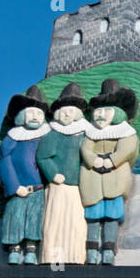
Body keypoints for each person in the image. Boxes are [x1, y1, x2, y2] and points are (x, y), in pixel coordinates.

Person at [79, 79, 140, 265]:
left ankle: (108, 248)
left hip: (115, 177)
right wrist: (94, 159)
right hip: (93, 177)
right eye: (98, 110)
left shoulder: (126, 131)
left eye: (106, 111)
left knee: (112, 214)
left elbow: (127, 149)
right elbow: (85, 148)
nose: (100, 115)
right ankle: (91, 250)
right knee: (93, 215)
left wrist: (112, 160)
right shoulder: (91, 132)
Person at [36, 83, 90, 264]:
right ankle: (52, 258)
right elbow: (43, 157)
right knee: (55, 223)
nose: (67, 115)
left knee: (76, 223)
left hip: (77, 187)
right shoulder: (53, 134)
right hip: (58, 187)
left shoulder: (84, 134)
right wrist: (53, 174)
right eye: (64, 111)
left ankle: (75, 256)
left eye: (71, 111)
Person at [0, 85, 49, 264]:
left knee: (35, 219)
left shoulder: (46, 136)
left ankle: (31, 250)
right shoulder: (13, 138)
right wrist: (14, 186)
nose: (35, 117)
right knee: (15, 217)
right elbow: (5, 162)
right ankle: (14, 248)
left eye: (39, 114)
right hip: (19, 189)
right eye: (31, 113)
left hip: (39, 189)